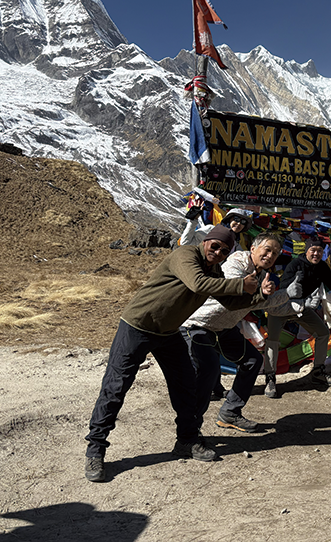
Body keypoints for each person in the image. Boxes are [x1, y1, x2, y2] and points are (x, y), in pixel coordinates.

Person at [84, 226, 265, 482]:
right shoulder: (186, 255)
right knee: (116, 387)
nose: (218, 252)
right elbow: (197, 284)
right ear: (206, 241)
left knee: (186, 385)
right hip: (138, 326)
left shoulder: (214, 270)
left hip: (168, 332)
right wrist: (240, 284)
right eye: (215, 246)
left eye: (225, 251)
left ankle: (187, 441)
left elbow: (230, 301)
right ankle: (95, 449)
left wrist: (260, 294)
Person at [180, 233, 298, 435]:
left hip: (223, 328)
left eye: (275, 253)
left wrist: (295, 300)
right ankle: (189, 432)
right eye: (267, 250)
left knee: (252, 361)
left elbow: (264, 304)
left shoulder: (262, 275)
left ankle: (230, 412)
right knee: (206, 372)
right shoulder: (237, 261)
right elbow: (236, 295)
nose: (270, 256)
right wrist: (277, 294)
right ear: (253, 248)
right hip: (197, 325)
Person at [262, 235, 331, 397]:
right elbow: (284, 291)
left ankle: (318, 372)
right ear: (307, 250)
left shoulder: (322, 267)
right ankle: (270, 378)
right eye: (313, 250)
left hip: (303, 307)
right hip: (282, 307)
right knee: (273, 340)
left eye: (319, 251)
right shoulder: (295, 265)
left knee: (323, 333)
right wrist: (294, 286)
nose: (316, 254)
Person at [180, 202, 250, 250]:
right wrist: (193, 221)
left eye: (243, 222)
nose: (239, 223)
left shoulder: (236, 245)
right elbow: (185, 243)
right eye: (236, 219)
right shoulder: (211, 230)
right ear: (229, 219)